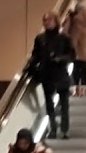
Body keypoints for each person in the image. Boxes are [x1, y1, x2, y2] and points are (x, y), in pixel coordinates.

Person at [29, 11, 77, 140]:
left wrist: (60, 59)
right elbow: (36, 55)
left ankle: (65, 129)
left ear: (55, 21)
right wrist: (32, 67)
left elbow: (72, 55)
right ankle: (53, 129)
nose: (47, 23)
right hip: (46, 74)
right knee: (49, 105)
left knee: (64, 103)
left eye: (49, 20)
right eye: (45, 20)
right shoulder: (40, 39)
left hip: (61, 73)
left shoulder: (64, 38)